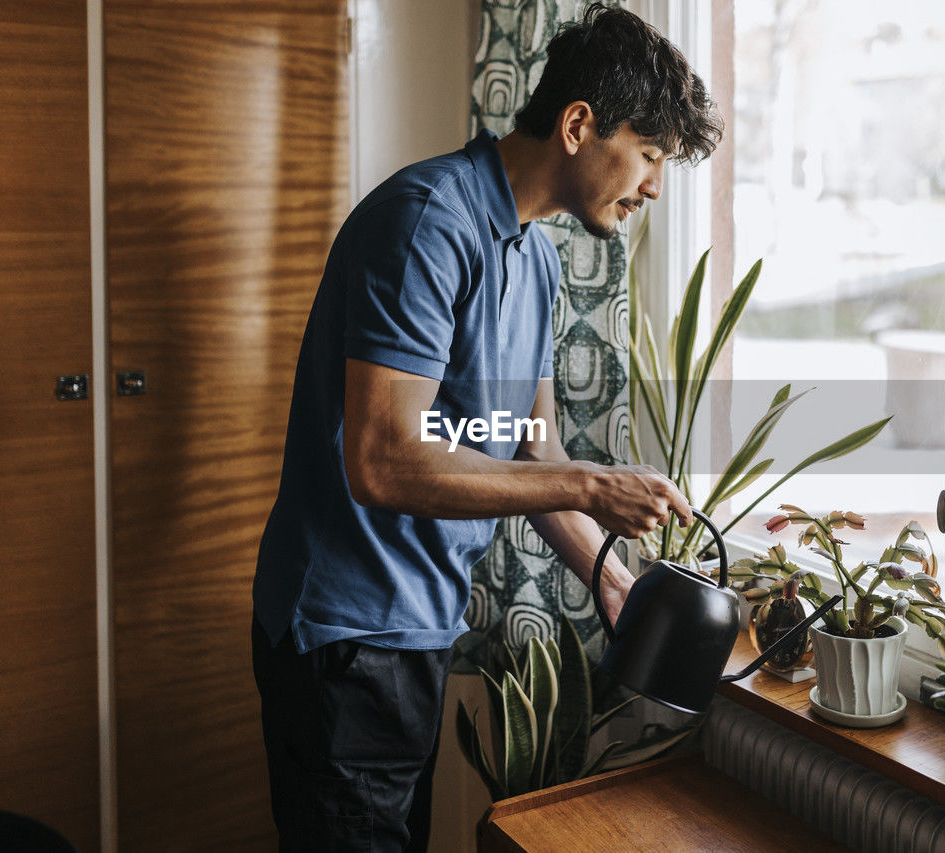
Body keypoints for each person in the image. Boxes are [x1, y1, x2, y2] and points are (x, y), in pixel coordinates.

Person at [251, 4, 722, 850]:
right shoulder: (429, 221)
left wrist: (608, 576)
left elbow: (526, 445)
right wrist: (591, 484)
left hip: (420, 624)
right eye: (649, 153)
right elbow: (382, 461)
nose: (654, 185)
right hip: (349, 634)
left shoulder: (534, 254)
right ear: (579, 125)